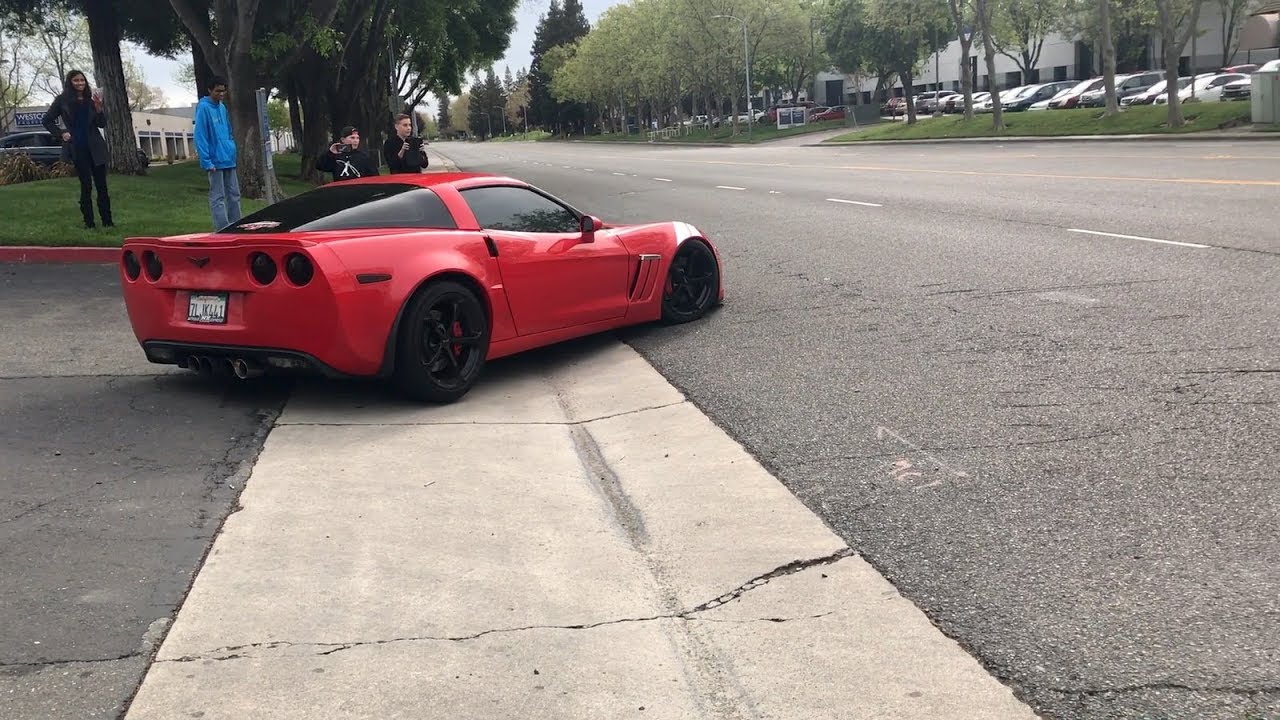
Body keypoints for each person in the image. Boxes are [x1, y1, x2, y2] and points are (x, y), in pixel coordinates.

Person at [42, 70, 112, 228]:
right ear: (70, 82)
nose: (80, 83)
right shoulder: (62, 100)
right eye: (76, 80)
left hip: (95, 146)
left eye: (82, 80)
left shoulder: (92, 98)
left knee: (102, 186)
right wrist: (61, 133)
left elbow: (102, 124)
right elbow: (47, 120)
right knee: (86, 185)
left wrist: (99, 108)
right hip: (78, 147)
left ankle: (108, 222)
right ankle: (89, 223)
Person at [193, 76, 241, 230]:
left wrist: (231, 147)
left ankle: (236, 225)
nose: (221, 94)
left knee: (234, 194)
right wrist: (206, 161)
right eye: (217, 91)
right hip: (214, 161)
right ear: (210, 90)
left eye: (223, 91)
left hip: (228, 158)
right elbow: (200, 135)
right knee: (218, 196)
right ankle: (222, 228)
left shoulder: (222, 107)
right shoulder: (204, 108)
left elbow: (228, 130)